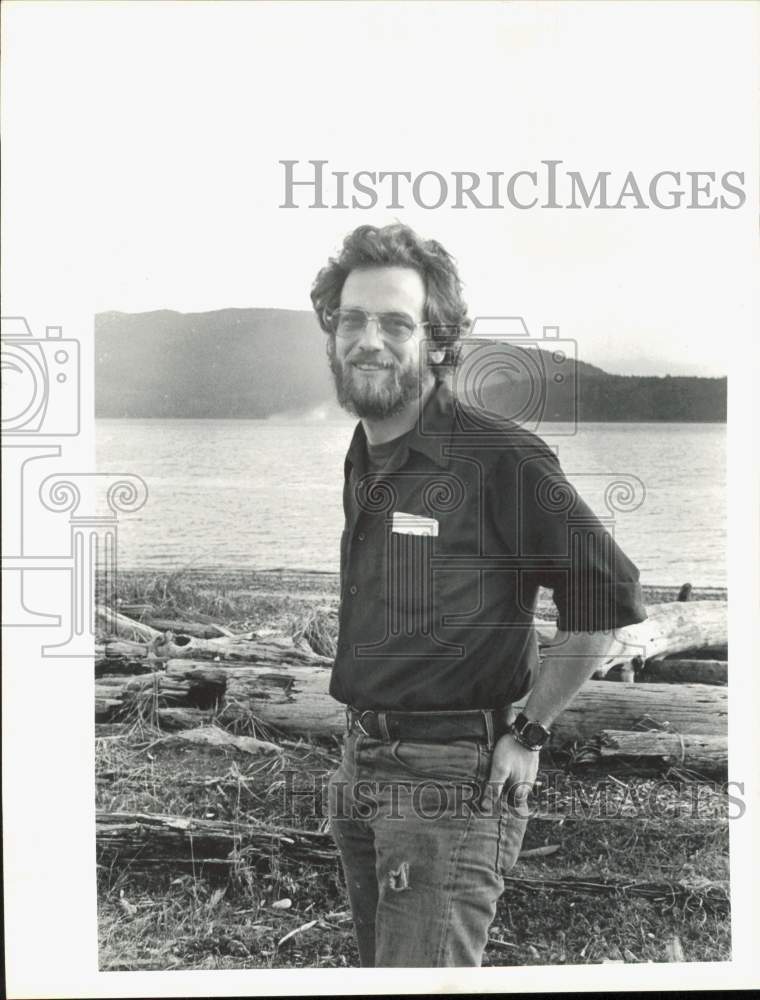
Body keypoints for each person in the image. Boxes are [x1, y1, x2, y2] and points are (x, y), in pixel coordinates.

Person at [310, 223, 647, 968]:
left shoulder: (499, 457)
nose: (370, 339)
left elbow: (607, 598)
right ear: (331, 333)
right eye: (354, 319)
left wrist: (530, 733)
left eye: (397, 322)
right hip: (360, 764)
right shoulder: (367, 451)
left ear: (436, 341)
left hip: (453, 785)